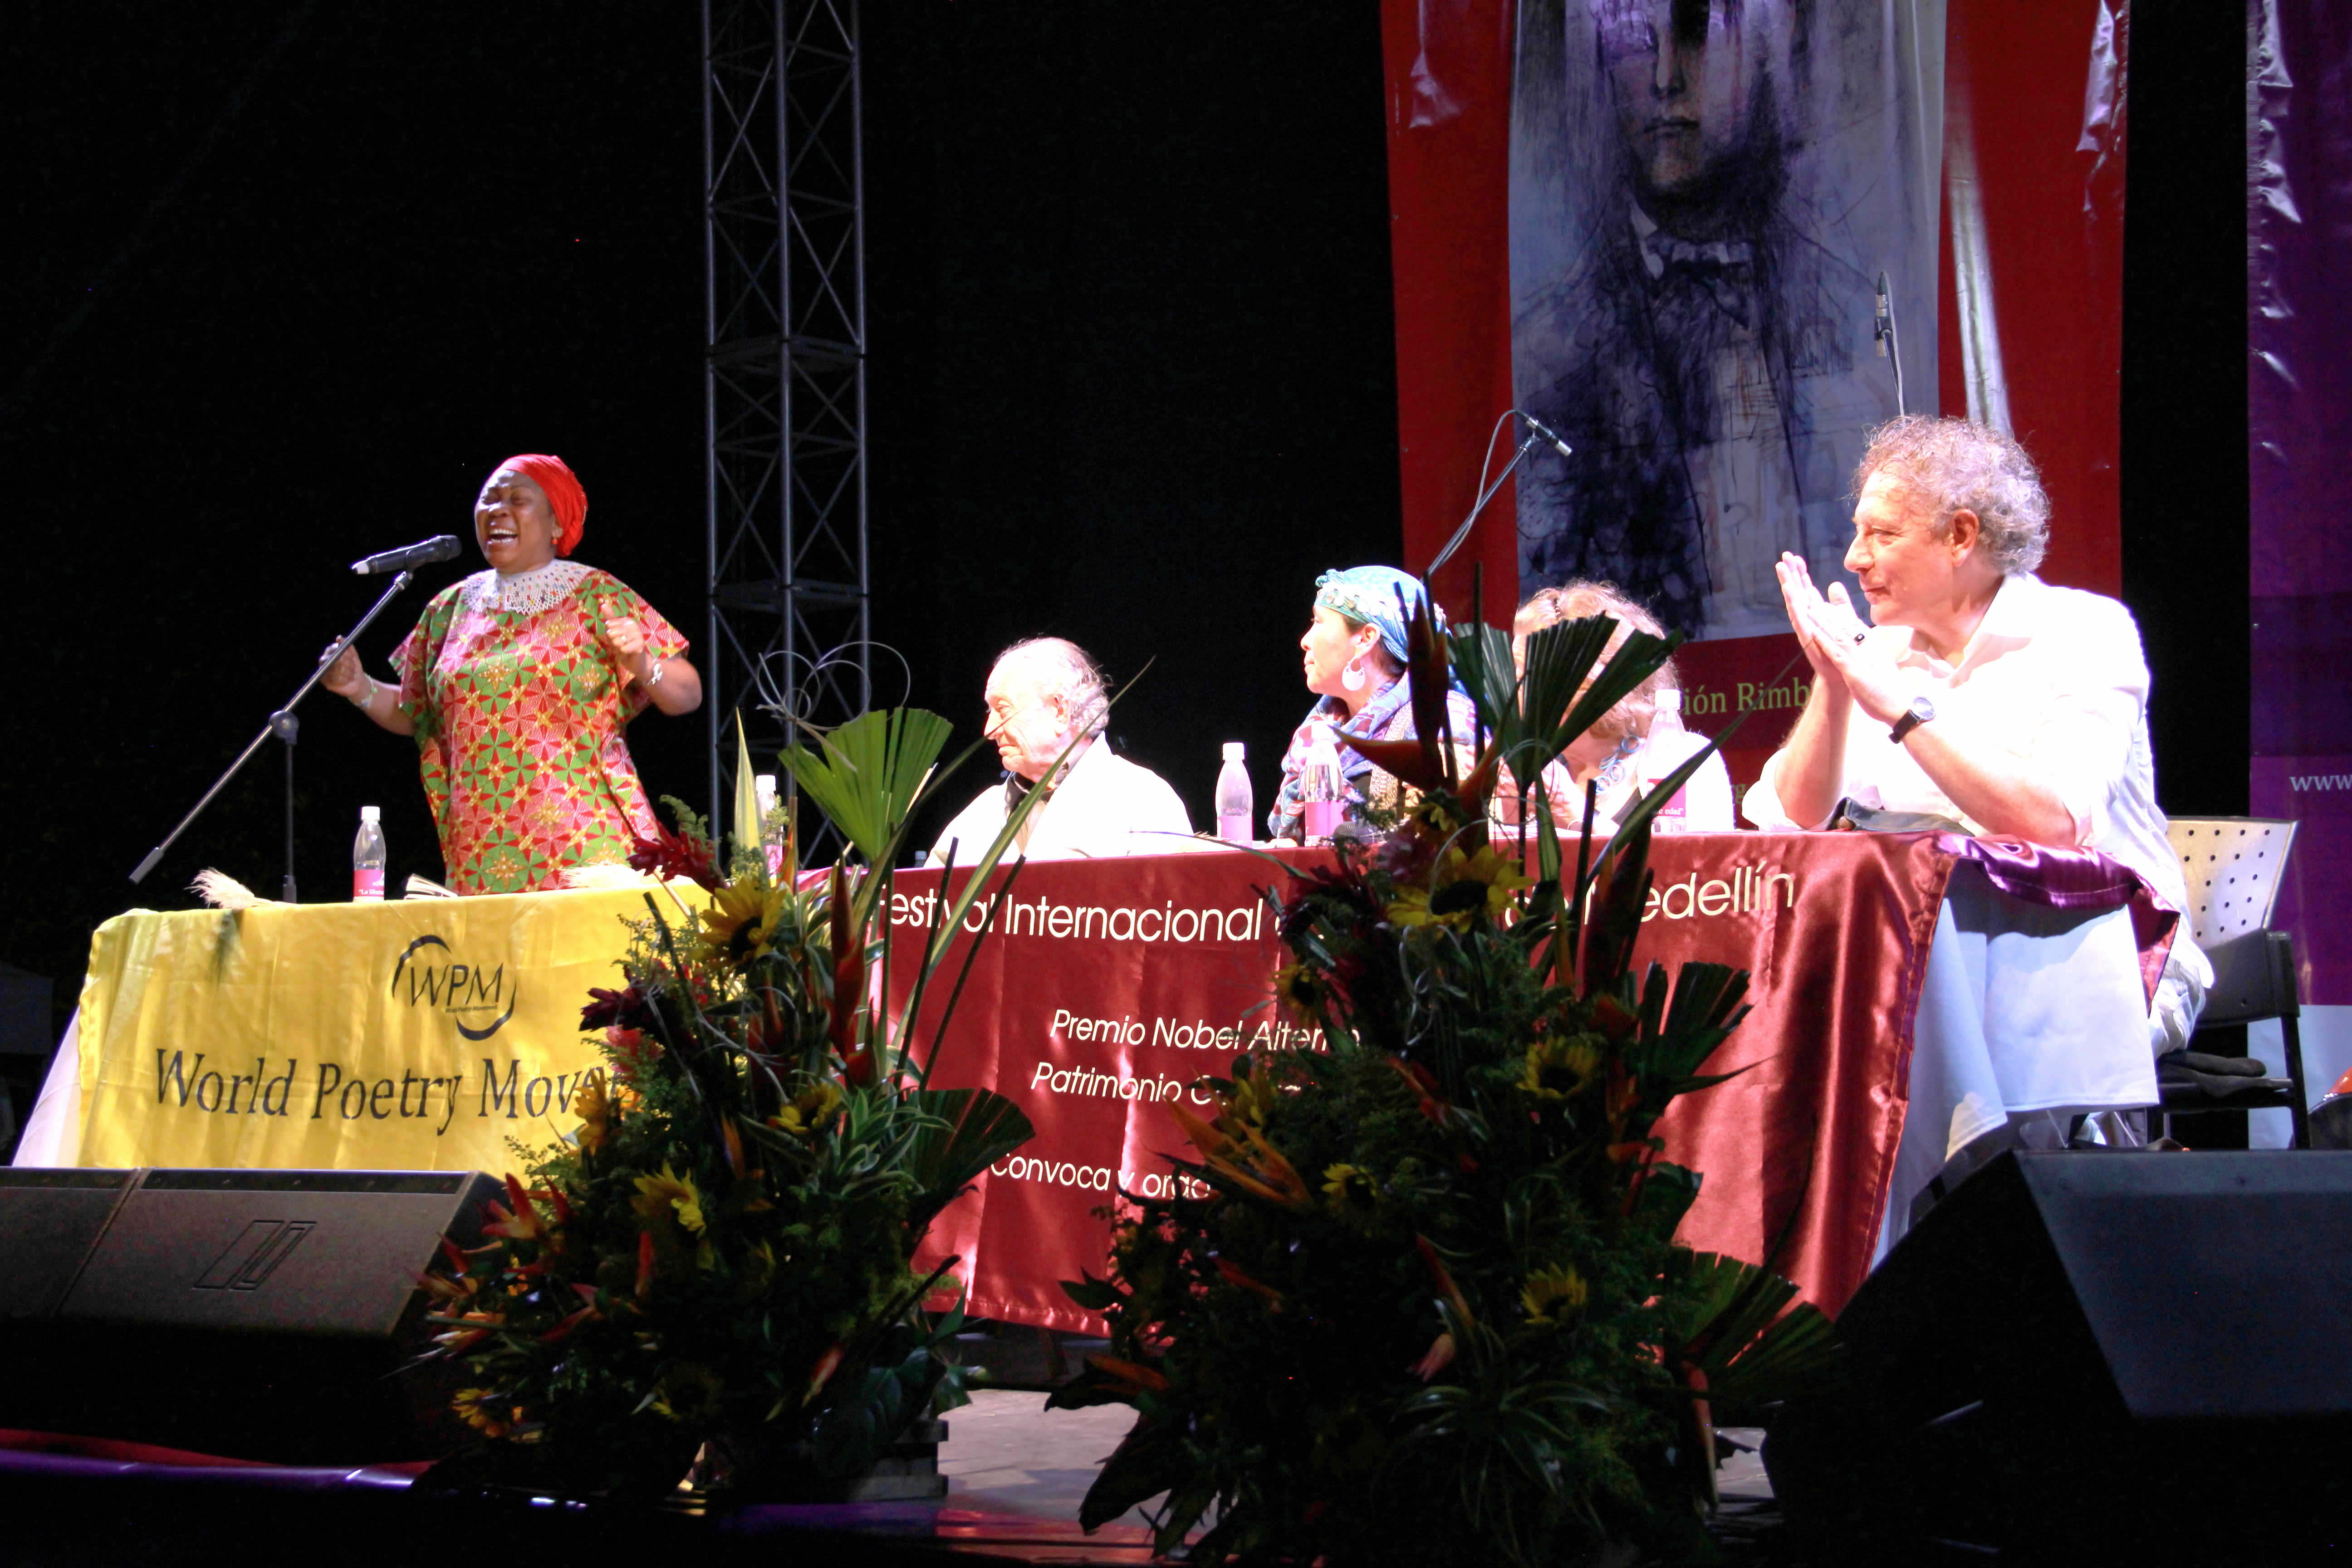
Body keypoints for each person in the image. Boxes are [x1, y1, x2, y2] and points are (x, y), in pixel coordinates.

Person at [1744, 415, 2208, 1052]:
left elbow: (2055, 825)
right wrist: (1832, 682)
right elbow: (1793, 822)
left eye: (1881, 533)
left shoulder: (2085, 632)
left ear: (1960, 535)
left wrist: (1901, 708)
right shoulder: (1877, 655)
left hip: (2105, 950)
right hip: (1932, 963)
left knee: (1950, 1051)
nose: (1855, 558)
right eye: (1858, 533)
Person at [1513, 0, 1910, 642]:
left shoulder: (1854, 313)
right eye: (1636, 41)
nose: (1667, 76)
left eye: (1697, 37)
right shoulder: (1551, 350)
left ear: (1767, 57)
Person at [323, 454, 702, 894]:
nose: (498, 510)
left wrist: (641, 664)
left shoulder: (595, 593)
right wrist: (360, 688)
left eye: (518, 500)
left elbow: (688, 694)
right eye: (489, 500)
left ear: (557, 524)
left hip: (586, 846)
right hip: (482, 850)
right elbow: (420, 715)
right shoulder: (449, 607)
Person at [928, 637, 1191, 866]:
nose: (990, 730)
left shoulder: (1142, 800)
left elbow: (1167, 916)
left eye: (1003, 709)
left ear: (1060, 711)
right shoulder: (979, 814)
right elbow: (921, 913)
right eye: (990, 711)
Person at [1505, 580, 1734, 833]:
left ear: (1588, 684)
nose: (1508, 689)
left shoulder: (1682, 760)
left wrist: (1572, 808)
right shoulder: (1519, 775)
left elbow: (1702, 867)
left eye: (1524, 675)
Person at [1269, 566, 1479, 841]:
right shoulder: (1316, 733)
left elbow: (1439, 849)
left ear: (1366, 639)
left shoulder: (1441, 723)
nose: (1305, 641)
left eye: (1319, 622)